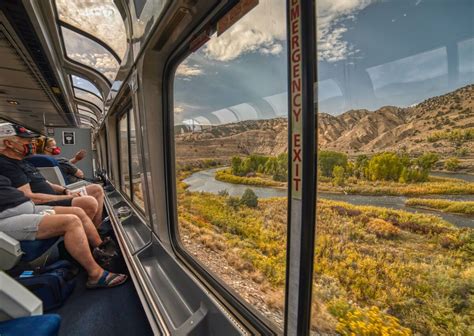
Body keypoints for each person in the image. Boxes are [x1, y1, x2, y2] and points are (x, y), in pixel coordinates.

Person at [0, 174, 127, 288]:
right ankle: (95, 275)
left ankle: (102, 253)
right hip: (6, 217)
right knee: (71, 222)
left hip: (29, 209)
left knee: (78, 212)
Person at [0, 123, 104, 227]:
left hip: (55, 195)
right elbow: (30, 196)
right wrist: (64, 197)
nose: (31, 144)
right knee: (89, 201)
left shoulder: (25, 162)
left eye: (32, 141)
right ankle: (93, 231)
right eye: (26, 140)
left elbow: (46, 182)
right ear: (9, 143)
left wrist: (65, 190)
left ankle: (98, 228)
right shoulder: (7, 165)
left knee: (96, 188)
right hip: (44, 202)